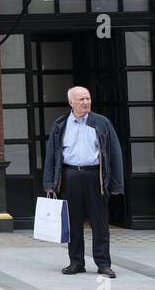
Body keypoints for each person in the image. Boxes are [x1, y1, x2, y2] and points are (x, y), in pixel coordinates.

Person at [43, 85, 124, 278]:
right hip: (70, 176)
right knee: (73, 223)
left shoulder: (101, 123)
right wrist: (49, 182)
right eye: (81, 99)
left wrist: (116, 183)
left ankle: (103, 263)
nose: (86, 102)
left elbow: (114, 153)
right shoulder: (61, 124)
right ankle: (76, 262)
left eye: (87, 98)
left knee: (100, 222)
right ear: (71, 102)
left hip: (95, 176)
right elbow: (52, 155)